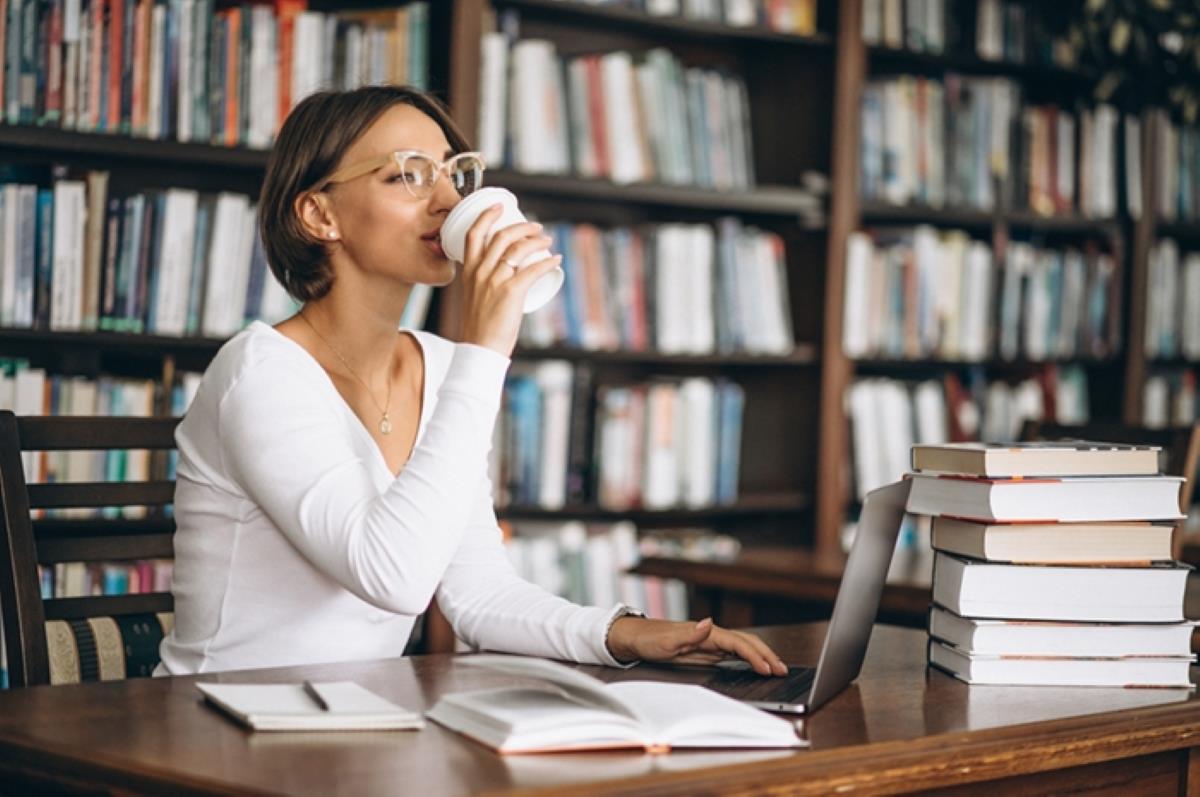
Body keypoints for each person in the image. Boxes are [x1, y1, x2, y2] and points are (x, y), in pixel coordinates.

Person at [157, 84, 788, 677]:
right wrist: (486, 347)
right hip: (215, 722)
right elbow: (393, 577)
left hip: (353, 719)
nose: (448, 201)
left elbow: (479, 593)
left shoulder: (440, 367)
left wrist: (624, 634)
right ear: (320, 215)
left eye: (452, 174)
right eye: (407, 175)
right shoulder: (261, 373)